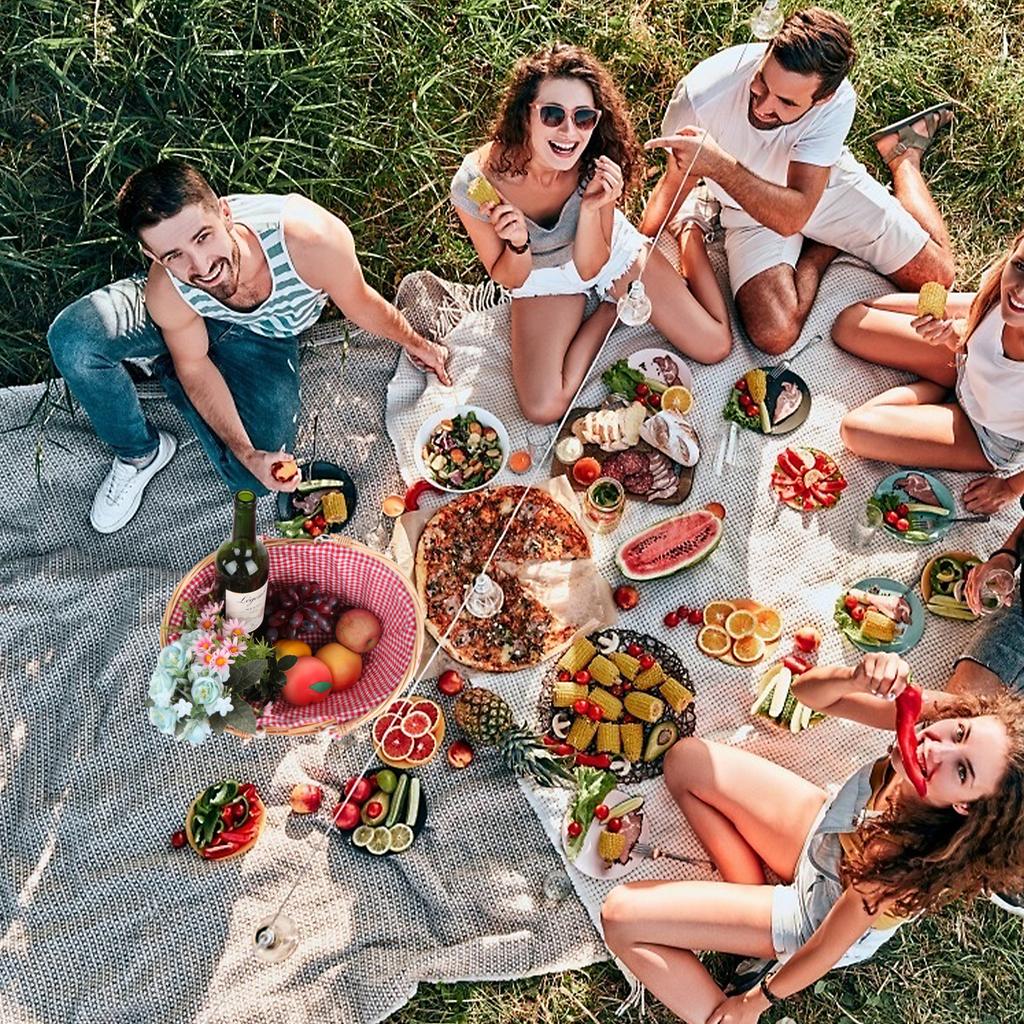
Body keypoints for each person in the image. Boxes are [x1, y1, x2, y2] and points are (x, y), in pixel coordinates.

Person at [602, 653, 1024, 1024]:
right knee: (686, 761)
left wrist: (755, 1002)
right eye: (961, 733)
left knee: (620, 916)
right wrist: (854, 679)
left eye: (962, 771)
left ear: (966, 808)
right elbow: (807, 695)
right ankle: (747, 907)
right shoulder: (937, 719)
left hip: (812, 916)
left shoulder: (900, 860)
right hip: (825, 832)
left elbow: (825, 947)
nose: (938, 748)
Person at [48, 160, 451, 534]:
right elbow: (194, 365)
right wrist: (234, 439)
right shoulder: (168, 287)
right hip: (180, 319)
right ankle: (140, 453)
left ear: (225, 212)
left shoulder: (311, 241)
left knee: (254, 477)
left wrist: (416, 343)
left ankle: (159, 365)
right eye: (175, 255)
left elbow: (362, 303)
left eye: (203, 237)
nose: (203, 267)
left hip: (262, 337)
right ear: (153, 255)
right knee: (74, 340)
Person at [643, 7, 955, 355]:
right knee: (773, 334)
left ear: (823, 99)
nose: (762, 107)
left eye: (786, 103)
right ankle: (824, 249)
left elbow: (795, 215)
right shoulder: (698, 100)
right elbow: (672, 187)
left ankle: (903, 158)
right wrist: (638, 247)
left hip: (822, 188)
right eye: (761, 85)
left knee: (938, 280)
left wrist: (719, 167)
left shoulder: (837, 103)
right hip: (744, 207)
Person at [450, 43, 731, 425]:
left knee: (715, 346)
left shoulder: (595, 160)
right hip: (537, 276)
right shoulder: (476, 182)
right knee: (542, 409)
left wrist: (592, 208)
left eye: (583, 118)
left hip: (602, 254)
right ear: (525, 114)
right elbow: (507, 276)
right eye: (553, 115)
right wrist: (517, 243)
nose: (569, 133)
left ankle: (689, 230)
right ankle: (610, 309)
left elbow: (591, 265)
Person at [835, 228, 1024, 514]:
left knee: (856, 430)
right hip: (964, 366)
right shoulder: (1002, 289)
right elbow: (978, 341)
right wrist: (950, 335)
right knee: (851, 322)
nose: (1020, 291)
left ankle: (935, 388)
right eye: (1020, 266)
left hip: (984, 433)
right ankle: (944, 383)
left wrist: (1011, 488)